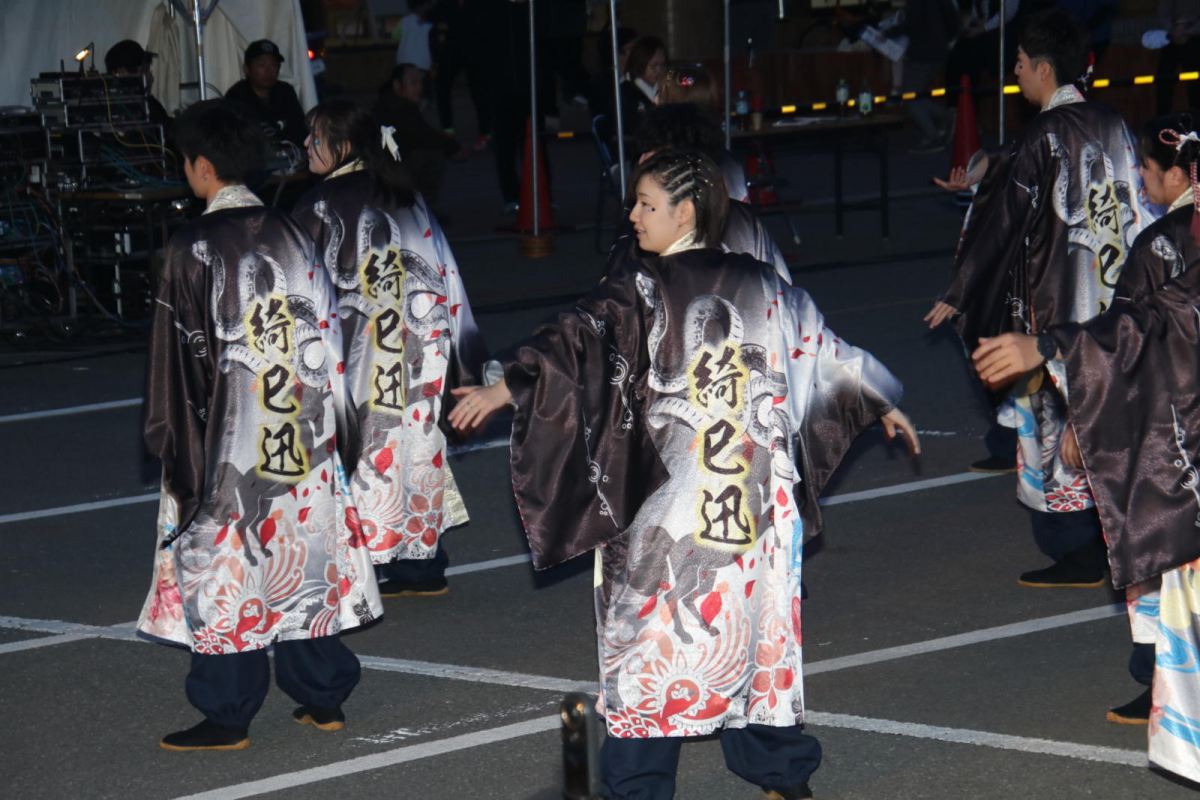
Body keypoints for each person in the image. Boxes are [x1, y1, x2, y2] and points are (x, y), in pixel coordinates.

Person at [449, 149, 919, 800]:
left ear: (686, 212)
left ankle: (639, 787)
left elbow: (572, 340)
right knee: (753, 633)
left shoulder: (641, 288)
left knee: (650, 642)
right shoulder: (760, 283)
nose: (633, 216)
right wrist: (879, 397)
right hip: (750, 507)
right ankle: (780, 772)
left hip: (668, 507)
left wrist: (506, 387)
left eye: (647, 205)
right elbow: (825, 349)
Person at [137, 100, 381, 751]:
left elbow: (176, 363)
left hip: (230, 441)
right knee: (304, 553)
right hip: (305, 432)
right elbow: (332, 334)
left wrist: (173, 446)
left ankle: (228, 710)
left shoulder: (192, 247)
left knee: (228, 563)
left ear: (201, 166)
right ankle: (323, 694)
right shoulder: (295, 232)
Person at [970, 112, 1200, 779]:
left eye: (1149, 170)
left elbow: (1143, 323)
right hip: (1178, 420)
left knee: (1167, 565)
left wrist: (1057, 356)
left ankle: (1158, 680)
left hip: (1169, 433)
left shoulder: (1161, 243)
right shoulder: (1165, 236)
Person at [925, 9, 1154, 588]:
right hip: (1114, 303)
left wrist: (961, 289)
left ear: (1045, 69)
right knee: (1107, 419)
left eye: (1022, 63)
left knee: (1053, 429)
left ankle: (1077, 548)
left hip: (1057, 311)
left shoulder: (1044, 134)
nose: (1017, 72)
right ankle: (1116, 536)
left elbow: (1005, 220)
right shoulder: (1112, 122)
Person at [291, 99, 487, 599]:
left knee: (358, 450)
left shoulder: (319, 205)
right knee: (416, 448)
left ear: (344, 146)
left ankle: (358, 567)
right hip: (423, 348)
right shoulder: (406, 196)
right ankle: (421, 565)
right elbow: (448, 276)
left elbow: (298, 294)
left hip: (358, 354)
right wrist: (464, 357)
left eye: (317, 136)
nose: (307, 145)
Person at [606, 102, 769, 276]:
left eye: (654, 153)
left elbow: (614, 279)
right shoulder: (741, 214)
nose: (642, 160)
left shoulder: (651, 221)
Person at [374, 63, 464, 208]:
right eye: (413, 83)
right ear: (397, 85)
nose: (419, 87)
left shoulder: (392, 102)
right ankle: (419, 209)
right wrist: (454, 147)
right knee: (432, 156)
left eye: (420, 82)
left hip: (385, 167)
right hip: (387, 171)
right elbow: (424, 136)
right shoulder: (398, 108)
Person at [884, 0, 959, 154]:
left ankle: (934, 133)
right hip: (938, 51)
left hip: (921, 53)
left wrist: (887, 33)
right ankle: (947, 119)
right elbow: (953, 21)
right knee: (915, 95)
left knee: (909, 96)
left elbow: (912, 23)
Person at [431, 0, 492, 148]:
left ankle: (486, 133)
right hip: (450, 52)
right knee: (442, 87)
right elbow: (434, 28)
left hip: (475, 52)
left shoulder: (479, 5)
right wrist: (437, 55)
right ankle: (448, 130)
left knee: (480, 92)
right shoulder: (444, 5)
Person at [225, 39, 307, 147]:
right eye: (261, 65)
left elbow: (300, 132)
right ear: (247, 69)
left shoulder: (285, 92)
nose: (269, 71)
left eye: (274, 65)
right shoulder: (236, 96)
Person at [104, 39, 171, 129]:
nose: (151, 78)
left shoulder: (151, 104)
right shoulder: (106, 108)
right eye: (144, 71)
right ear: (121, 72)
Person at [1155, 0, 1200, 115]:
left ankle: (1196, 115)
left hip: (1194, 40)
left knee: (1195, 80)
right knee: (1164, 79)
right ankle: (1163, 116)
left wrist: (1188, 31)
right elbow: (1163, 12)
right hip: (1172, 37)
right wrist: (1173, 31)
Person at [395, 0, 435, 72]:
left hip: (403, 59)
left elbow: (395, 37)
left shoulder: (404, 21)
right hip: (422, 62)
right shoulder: (431, 23)